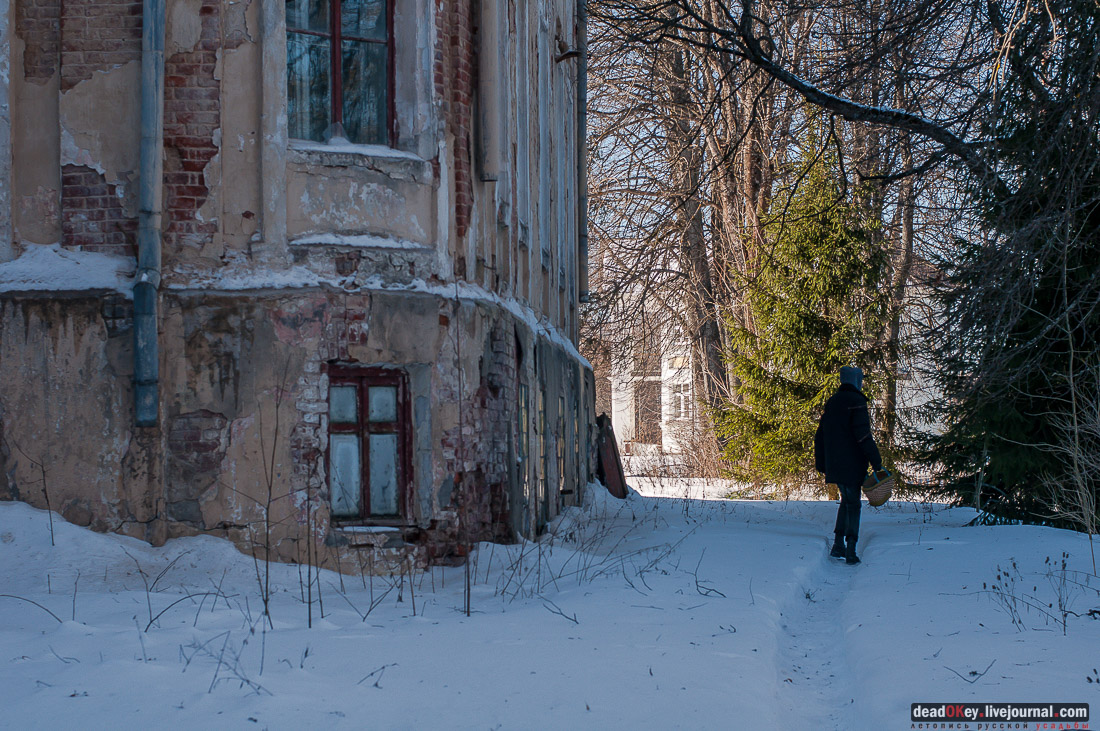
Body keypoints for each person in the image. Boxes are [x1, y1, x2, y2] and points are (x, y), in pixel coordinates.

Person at [814, 366, 884, 565]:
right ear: (855, 381)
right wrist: (876, 461)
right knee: (853, 504)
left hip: (835, 463)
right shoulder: (857, 402)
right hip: (852, 463)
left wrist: (822, 462)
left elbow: (820, 435)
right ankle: (851, 548)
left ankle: (838, 544)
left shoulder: (833, 402)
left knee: (846, 500)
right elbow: (863, 436)